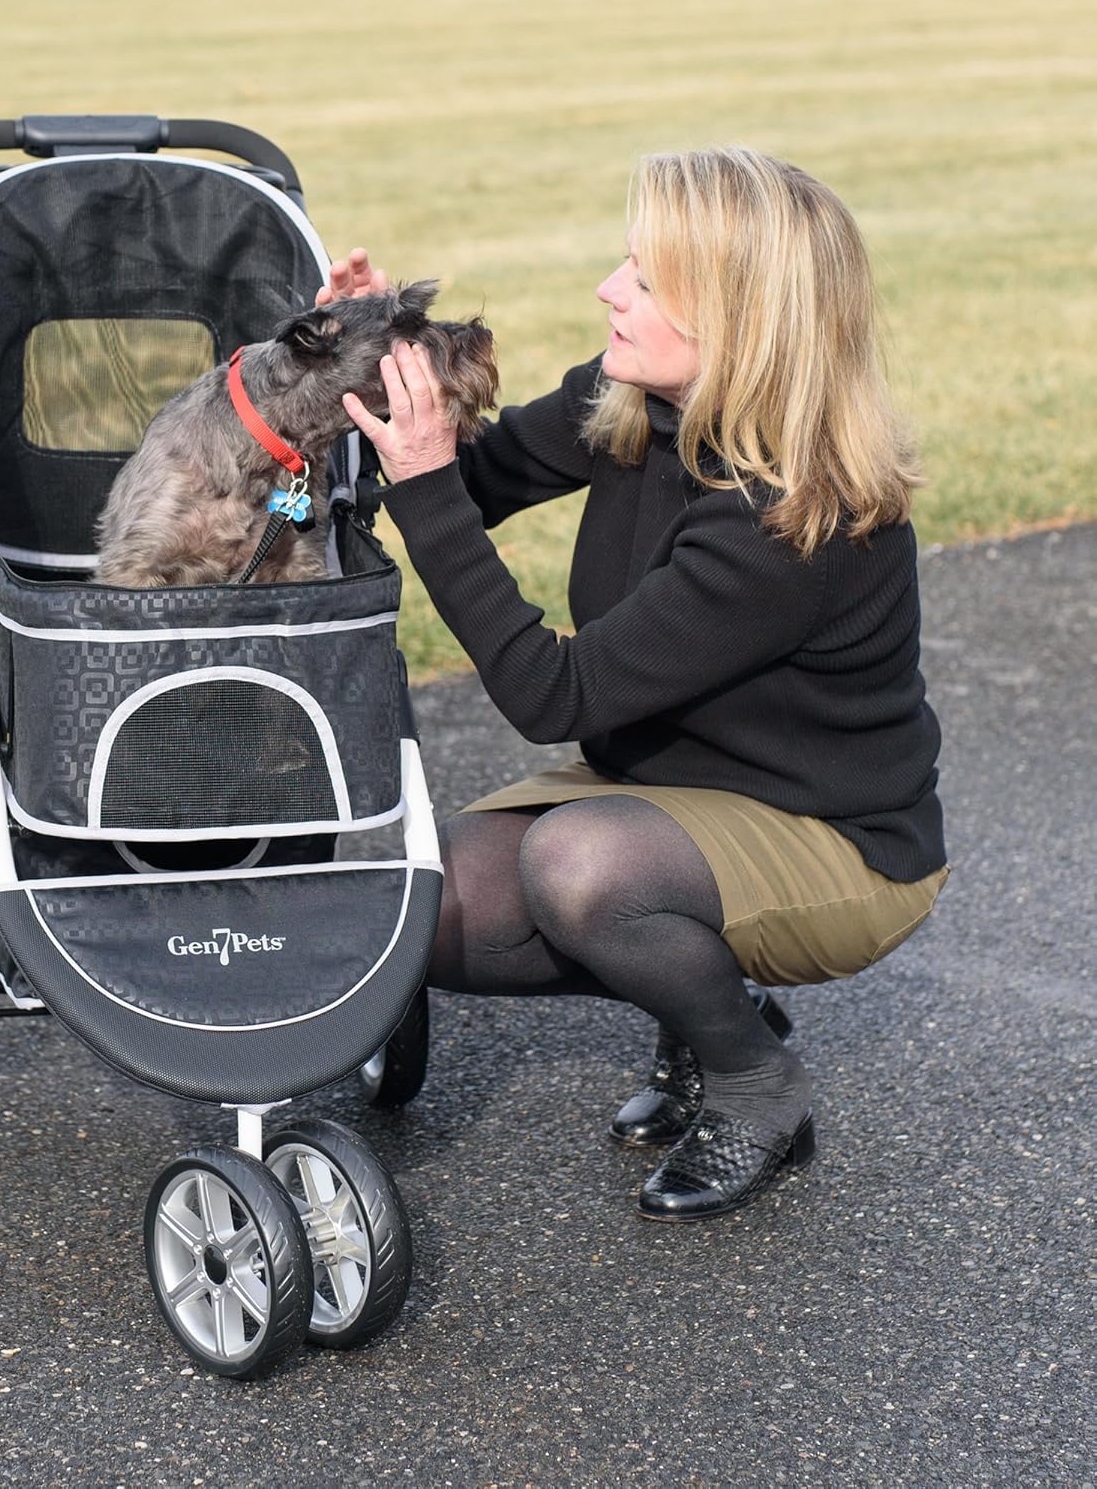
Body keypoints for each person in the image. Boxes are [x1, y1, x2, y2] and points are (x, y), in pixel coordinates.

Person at [319, 146, 948, 1221]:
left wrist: (425, 488)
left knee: (583, 867)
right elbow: (458, 484)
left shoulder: (791, 520)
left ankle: (754, 1079)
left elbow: (551, 695)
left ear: (742, 319)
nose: (610, 290)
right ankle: (699, 989)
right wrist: (363, 371)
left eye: (648, 280)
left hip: (831, 836)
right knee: (399, 908)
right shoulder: (629, 402)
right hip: (664, 795)